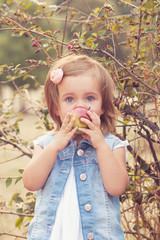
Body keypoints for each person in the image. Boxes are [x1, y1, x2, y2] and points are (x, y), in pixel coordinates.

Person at [22, 54, 129, 240]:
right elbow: (30, 183)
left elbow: (117, 187)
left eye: (90, 98)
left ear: (103, 105)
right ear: (56, 107)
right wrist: (56, 146)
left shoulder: (112, 146)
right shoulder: (46, 144)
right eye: (69, 99)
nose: (80, 105)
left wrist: (100, 145)